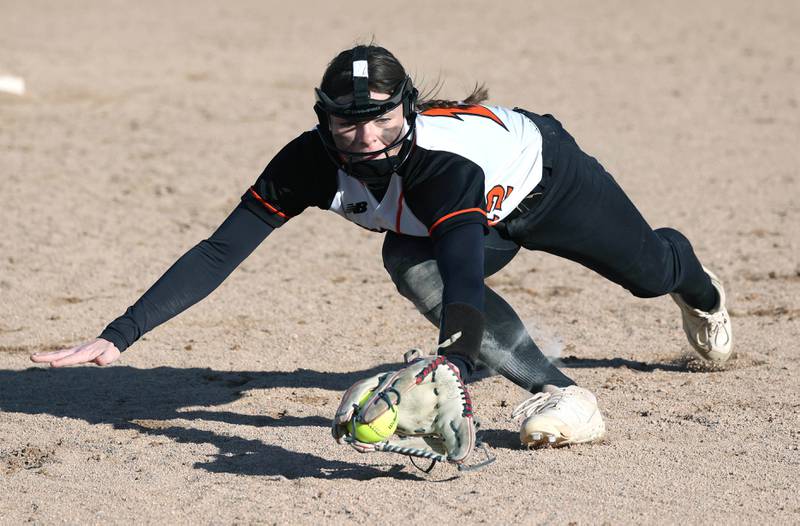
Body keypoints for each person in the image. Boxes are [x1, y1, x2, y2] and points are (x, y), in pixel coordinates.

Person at [31, 44, 733, 451]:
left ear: (409, 110)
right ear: (323, 120)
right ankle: (559, 392)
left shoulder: (440, 166)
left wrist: (451, 365)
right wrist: (119, 335)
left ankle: (697, 284)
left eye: (382, 119)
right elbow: (220, 252)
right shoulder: (307, 162)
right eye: (348, 122)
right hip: (459, 223)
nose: (366, 137)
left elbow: (464, 267)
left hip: (546, 179)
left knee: (648, 272)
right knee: (407, 263)